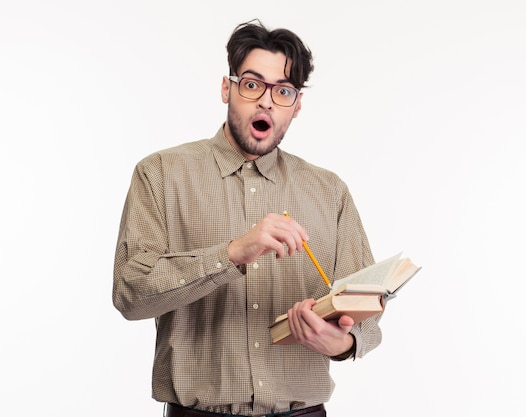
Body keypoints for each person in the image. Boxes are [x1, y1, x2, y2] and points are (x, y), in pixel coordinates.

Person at [113, 19, 382, 417]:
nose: (267, 102)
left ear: (297, 105)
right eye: (253, 84)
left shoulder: (330, 192)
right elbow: (130, 294)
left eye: (284, 91)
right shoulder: (161, 174)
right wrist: (233, 254)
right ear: (228, 88)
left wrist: (341, 343)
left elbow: (367, 314)